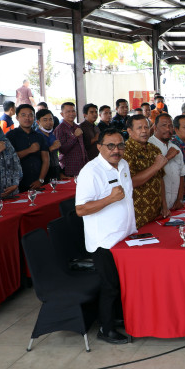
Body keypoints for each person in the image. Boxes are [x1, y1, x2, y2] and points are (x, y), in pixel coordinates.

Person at [75, 128, 137, 345]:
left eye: (120, 145)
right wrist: (109, 199)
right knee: (109, 285)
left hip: (125, 236)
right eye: (110, 145)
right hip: (105, 240)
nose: (116, 150)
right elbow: (81, 209)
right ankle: (105, 328)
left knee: (122, 284)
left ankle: (116, 318)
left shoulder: (123, 165)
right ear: (99, 146)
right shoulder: (90, 172)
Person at [124, 114, 171, 228]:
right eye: (139, 128)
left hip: (155, 211)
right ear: (130, 131)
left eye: (146, 127)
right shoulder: (125, 151)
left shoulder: (154, 149)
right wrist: (156, 166)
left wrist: (164, 205)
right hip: (136, 213)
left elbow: (160, 178)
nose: (144, 131)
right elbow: (131, 182)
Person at [148, 113, 185, 211]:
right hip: (156, 206)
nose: (168, 129)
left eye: (170, 126)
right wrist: (168, 157)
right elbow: (152, 173)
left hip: (173, 205)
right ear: (155, 128)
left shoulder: (176, 148)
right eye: (164, 126)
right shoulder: (149, 146)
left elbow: (182, 175)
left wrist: (179, 199)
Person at [6, 104, 49, 190]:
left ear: (34, 117)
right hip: (18, 184)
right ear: (17, 118)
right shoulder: (10, 136)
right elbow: (9, 159)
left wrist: (40, 180)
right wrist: (29, 150)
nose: (27, 118)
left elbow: (46, 159)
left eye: (30, 115)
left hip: (38, 181)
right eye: (23, 115)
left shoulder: (39, 136)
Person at [55, 102, 87, 177]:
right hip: (69, 168)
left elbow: (82, 147)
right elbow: (62, 149)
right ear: (62, 114)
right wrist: (74, 136)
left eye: (73, 111)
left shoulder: (77, 126)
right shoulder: (60, 128)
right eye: (68, 112)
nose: (71, 114)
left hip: (82, 166)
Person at [35, 108, 63, 181]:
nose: (49, 122)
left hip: (55, 169)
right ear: (38, 122)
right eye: (45, 120)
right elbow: (34, 156)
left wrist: (60, 172)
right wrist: (51, 148)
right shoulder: (35, 136)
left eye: (51, 119)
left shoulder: (54, 134)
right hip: (41, 173)